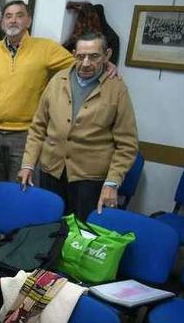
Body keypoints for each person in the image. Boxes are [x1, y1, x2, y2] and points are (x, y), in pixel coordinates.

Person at [19, 32, 138, 220]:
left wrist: (112, 182)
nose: (86, 63)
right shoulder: (58, 81)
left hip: (88, 179)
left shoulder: (117, 89)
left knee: (81, 234)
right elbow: (38, 127)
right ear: (74, 54)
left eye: (94, 56)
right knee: (48, 228)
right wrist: (28, 164)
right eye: (81, 56)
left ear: (106, 55)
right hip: (52, 171)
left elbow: (127, 145)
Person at [0, 0, 73, 187]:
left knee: (20, 189)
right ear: (3, 22)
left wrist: (106, 65)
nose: (13, 21)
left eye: (19, 15)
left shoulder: (45, 48)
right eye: (8, 16)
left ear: (28, 21)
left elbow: (79, 66)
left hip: (25, 135)